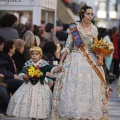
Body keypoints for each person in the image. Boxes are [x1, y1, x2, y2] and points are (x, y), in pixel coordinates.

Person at [52, 4, 110, 120]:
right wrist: (61, 61)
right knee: (74, 87)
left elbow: (95, 46)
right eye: (88, 14)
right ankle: (74, 113)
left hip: (91, 61)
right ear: (82, 14)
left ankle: (88, 113)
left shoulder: (94, 28)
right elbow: (68, 46)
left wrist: (100, 54)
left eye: (92, 14)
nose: (90, 16)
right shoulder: (74, 28)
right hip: (75, 59)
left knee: (90, 88)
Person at [6, 46, 62, 120]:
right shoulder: (28, 63)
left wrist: (56, 69)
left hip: (40, 85)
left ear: (40, 55)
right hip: (29, 84)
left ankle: (41, 115)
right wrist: (25, 75)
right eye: (32, 54)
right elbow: (22, 72)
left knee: (41, 101)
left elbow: (51, 70)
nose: (34, 56)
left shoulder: (43, 63)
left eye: (36, 54)